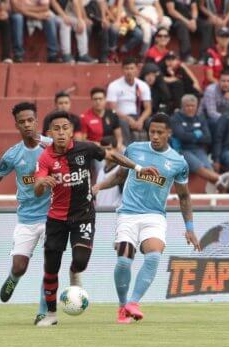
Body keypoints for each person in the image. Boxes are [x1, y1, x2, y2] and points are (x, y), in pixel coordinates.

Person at [32, 111, 159, 326]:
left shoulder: (85, 148)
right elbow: (36, 189)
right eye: (57, 129)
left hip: (83, 215)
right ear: (50, 133)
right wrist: (42, 182)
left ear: (72, 131)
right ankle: (51, 315)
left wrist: (138, 168)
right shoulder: (45, 158)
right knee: (51, 269)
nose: (61, 132)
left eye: (65, 128)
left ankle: (74, 272)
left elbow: (113, 156)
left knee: (80, 261)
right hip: (56, 218)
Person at [92, 113, 199, 323]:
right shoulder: (134, 149)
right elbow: (120, 176)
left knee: (153, 256)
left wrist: (190, 227)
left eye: (160, 132)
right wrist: (98, 186)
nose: (156, 136)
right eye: (152, 132)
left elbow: (184, 196)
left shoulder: (178, 162)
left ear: (169, 133)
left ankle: (134, 302)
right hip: (128, 213)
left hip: (154, 216)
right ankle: (123, 305)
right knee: (124, 261)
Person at [0, 102, 53, 320]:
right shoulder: (13, 155)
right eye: (22, 122)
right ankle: (13, 279)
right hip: (26, 218)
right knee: (19, 266)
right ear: (16, 125)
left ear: (36, 120)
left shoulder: (53, 147)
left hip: (54, 216)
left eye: (30, 120)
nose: (27, 125)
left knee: (50, 264)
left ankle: (43, 312)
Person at [169, 94, 229, 192]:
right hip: (182, 150)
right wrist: (197, 134)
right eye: (187, 106)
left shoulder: (200, 117)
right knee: (199, 165)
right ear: (182, 107)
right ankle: (221, 178)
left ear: (196, 107)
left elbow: (208, 138)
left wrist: (190, 134)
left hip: (197, 149)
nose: (190, 108)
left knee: (209, 168)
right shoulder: (176, 118)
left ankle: (216, 192)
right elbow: (181, 136)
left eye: (193, 106)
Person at [106, 57, 152, 144]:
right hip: (121, 117)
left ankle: (152, 149)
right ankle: (127, 149)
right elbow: (112, 109)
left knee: (152, 121)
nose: (129, 71)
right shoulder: (114, 85)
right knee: (122, 122)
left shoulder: (143, 85)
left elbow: (148, 108)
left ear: (136, 70)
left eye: (132, 68)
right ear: (122, 70)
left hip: (138, 116)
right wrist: (128, 119)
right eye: (126, 68)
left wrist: (141, 120)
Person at [94, 136, 124, 208]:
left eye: (109, 149)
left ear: (116, 149)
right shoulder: (101, 171)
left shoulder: (121, 171)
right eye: (103, 149)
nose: (106, 152)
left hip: (115, 215)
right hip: (100, 214)